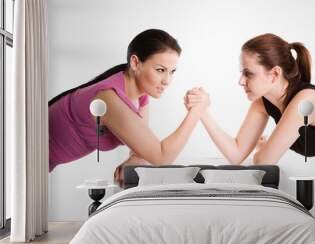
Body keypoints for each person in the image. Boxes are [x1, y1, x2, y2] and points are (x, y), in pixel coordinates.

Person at [185, 33, 315, 221]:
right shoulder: (262, 103)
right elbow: (236, 154)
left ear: (275, 73)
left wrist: (262, 150)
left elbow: (265, 161)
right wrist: (202, 112)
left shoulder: (305, 101)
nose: (240, 81)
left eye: (248, 73)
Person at [49, 29, 209, 185]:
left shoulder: (142, 95)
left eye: (172, 71)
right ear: (135, 63)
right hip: (27, 157)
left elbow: (142, 146)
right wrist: (196, 112)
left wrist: (135, 158)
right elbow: (161, 157)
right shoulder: (109, 99)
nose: (167, 80)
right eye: (160, 70)